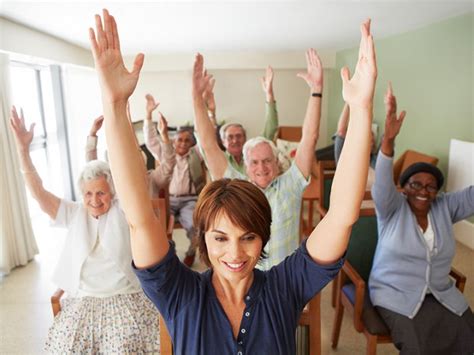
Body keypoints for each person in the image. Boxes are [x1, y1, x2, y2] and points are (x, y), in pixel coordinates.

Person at [89, 9, 376, 354]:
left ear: (263, 237)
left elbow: (342, 214)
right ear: (203, 237)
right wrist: (115, 103)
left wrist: (360, 109)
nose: (235, 253)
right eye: (220, 238)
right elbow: (139, 219)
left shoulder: (284, 288)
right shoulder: (180, 293)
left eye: (249, 237)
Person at [9, 106, 160, 353]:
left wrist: (121, 122)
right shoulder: (74, 212)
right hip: (83, 300)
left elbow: (135, 173)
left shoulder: (124, 209)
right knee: (67, 348)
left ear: (112, 191)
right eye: (88, 193)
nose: (94, 200)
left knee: (124, 348)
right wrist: (23, 150)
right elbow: (39, 193)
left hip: (124, 297)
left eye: (101, 193)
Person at [369, 84, 474, 354]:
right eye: (416, 185)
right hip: (394, 295)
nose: (423, 192)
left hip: (441, 294)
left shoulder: (444, 207)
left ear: (438, 191)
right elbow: (381, 183)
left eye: (431, 186)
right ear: (403, 188)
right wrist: (388, 142)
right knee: (417, 346)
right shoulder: (392, 209)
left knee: (468, 336)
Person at [194, 49, 323, 269]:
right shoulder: (236, 185)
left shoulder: (291, 184)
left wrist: (316, 91)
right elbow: (208, 144)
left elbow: (309, 138)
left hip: (283, 282)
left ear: (276, 162)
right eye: (254, 162)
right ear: (245, 164)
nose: (261, 167)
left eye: (267, 160)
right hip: (245, 282)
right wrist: (197, 98)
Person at [144, 93, 207, 267]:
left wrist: (203, 109)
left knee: (195, 226)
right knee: (160, 227)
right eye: (180, 139)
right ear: (173, 140)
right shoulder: (166, 153)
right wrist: (149, 115)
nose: (183, 143)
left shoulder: (196, 155)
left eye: (187, 140)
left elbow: (205, 139)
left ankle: (191, 252)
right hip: (168, 200)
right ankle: (166, 258)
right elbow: (150, 141)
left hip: (189, 200)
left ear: (191, 143)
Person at [85, 105, 176, 198]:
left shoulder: (152, 179)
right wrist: (93, 133)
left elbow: (169, 164)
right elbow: (92, 168)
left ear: (144, 162)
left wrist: (164, 136)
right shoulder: (114, 182)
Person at [204, 66, 279, 175]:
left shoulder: (255, 154)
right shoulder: (220, 159)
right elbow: (207, 141)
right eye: (230, 137)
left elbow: (271, 129)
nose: (235, 141)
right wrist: (210, 112)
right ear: (223, 141)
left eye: (239, 136)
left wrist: (269, 95)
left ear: (245, 138)